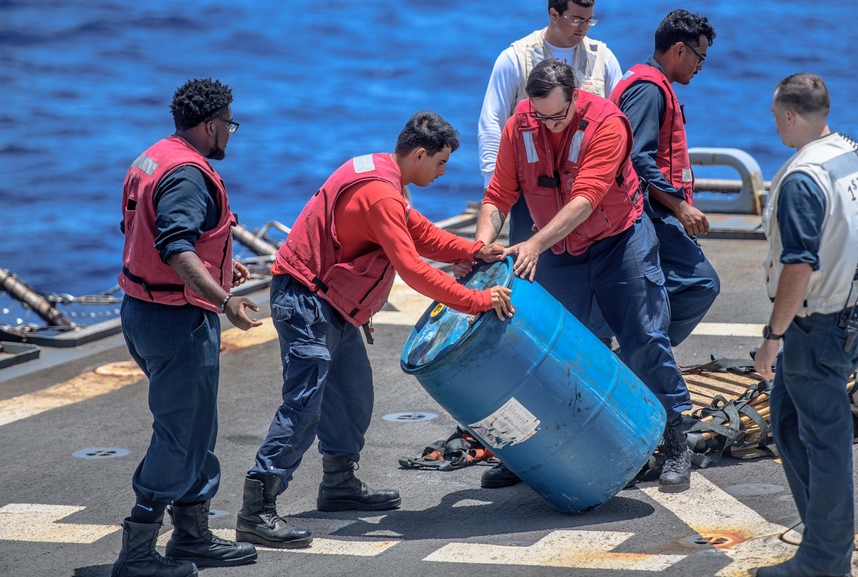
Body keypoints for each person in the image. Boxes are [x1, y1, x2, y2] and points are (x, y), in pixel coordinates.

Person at [236, 111, 514, 548]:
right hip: (306, 300)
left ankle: (339, 486)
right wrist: (477, 300)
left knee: (352, 395)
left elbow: (418, 232)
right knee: (305, 405)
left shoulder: (384, 173)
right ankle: (257, 509)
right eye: (440, 163)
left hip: (330, 301)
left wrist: (476, 250)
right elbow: (414, 269)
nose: (443, 173)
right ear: (419, 154)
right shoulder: (382, 194)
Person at [472, 59, 693, 494]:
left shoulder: (609, 123)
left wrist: (533, 243)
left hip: (618, 242)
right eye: (541, 117)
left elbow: (587, 198)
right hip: (559, 249)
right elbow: (499, 194)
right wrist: (480, 245)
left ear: (576, 96)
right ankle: (531, 452)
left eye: (557, 116)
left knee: (644, 339)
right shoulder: (521, 125)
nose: (549, 126)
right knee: (543, 350)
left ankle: (676, 443)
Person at [114, 78, 262, 576]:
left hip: (143, 311)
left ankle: (193, 536)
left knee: (196, 427)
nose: (230, 134)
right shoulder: (188, 175)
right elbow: (174, 246)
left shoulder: (154, 156)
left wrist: (222, 264)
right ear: (209, 124)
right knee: (179, 435)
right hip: (176, 320)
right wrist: (225, 300)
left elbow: (147, 229)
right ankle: (136, 554)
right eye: (228, 125)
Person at [753, 73, 858, 577]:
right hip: (855, 313)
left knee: (825, 442)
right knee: (787, 421)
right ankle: (822, 537)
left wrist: (772, 338)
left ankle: (825, 561)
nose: (774, 125)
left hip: (817, 327)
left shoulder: (801, 178)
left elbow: (798, 265)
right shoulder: (854, 153)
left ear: (789, 115)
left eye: (774, 116)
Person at [477, 0, 623, 246]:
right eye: (577, 19)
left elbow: (620, 118)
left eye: (590, 20)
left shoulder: (604, 58)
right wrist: (492, 184)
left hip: (586, 189)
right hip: (532, 188)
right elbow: (492, 121)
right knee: (529, 267)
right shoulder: (515, 58)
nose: (584, 28)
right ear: (554, 15)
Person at [610, 9, 721, 346]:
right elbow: (635, 157)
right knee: (701, 282)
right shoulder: (649, 90)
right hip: (647, 213)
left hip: (651, 210)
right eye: (699, 57)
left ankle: (643, 349)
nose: (700, 66)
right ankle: (645, 355)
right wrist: (680, 207)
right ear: (679, 51)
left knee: (662, 284)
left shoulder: (646, 81)